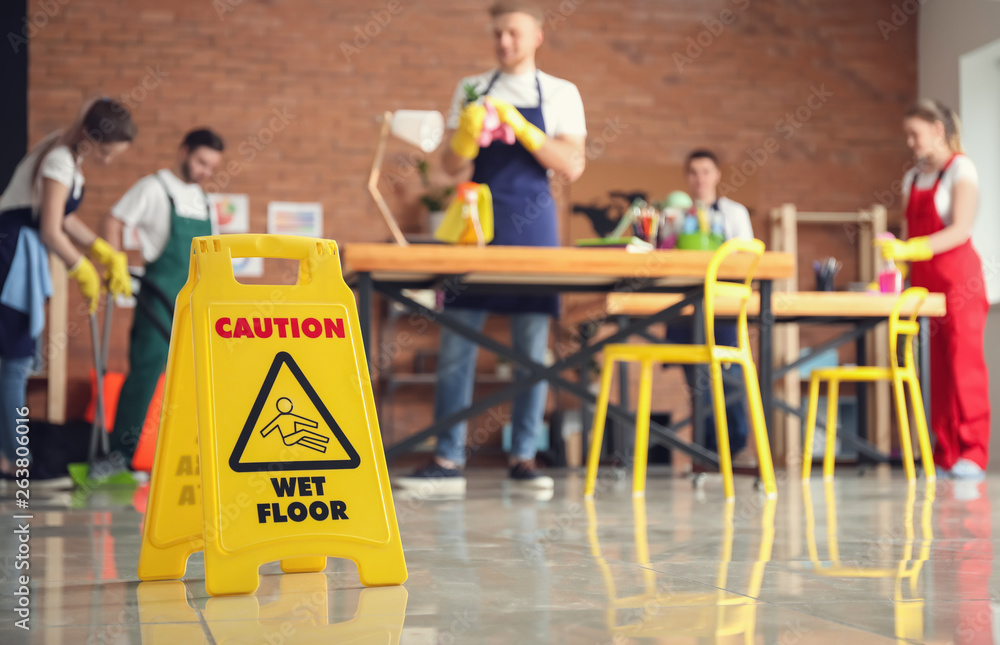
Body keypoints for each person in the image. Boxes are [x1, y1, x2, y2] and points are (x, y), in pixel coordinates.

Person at [396, 0, 586, 493]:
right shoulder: (471, 89)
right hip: (474, 225)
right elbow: (451, 169)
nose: (504, 42)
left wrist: (521, 126)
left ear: (537, 36)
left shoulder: (562, 93)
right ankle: (447, 458)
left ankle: (524, 457)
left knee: (531, 351)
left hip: (533, 227)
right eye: (497, 33)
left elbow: (570, 164)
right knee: (458, 344)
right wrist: (468, 134)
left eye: (514, 34)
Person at [0, 98, 136, 484]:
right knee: (15, 363)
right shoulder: (60, 159)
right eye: (108, 153)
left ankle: (12, 457)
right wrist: (81, 268)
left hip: (21, 252)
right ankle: (19, 463)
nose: (108, 161)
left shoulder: (68, 156)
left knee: (15, 363)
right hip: (10, 254)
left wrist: (102, 251)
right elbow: (50, 229)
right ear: (93, 140)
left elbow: (65, 218)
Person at [89, 129, 224, 481]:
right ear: (183, 151)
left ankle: (195, 460)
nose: (204, 171)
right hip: (159, 295)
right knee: (147, 374)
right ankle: (119, 456)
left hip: (196, 300)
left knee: (200, 378)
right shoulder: (154, 187)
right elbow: (114, 220)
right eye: (200, 162)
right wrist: (115, 262)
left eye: (211, 166)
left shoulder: (203, 200)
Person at [879, 99, 990, 480]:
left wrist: (916, 248)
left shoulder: (962, 169)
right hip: (924, 287)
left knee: (964, 367)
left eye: (916, 134)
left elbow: (960, 228)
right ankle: (944, 454)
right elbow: (911, 234)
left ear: (938, 131)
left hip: (960, 283)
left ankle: (973, 453)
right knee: (935, 370)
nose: (910, 142)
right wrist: (899, 259)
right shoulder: (913, 179)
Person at [665, 150, 756, 468]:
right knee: (697, 385)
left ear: (717, 175)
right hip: (685, 311)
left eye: (705, 171)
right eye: (693, 172)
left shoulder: (734, 214)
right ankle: (703, 454)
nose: (699, 178)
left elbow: (745, 259)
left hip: (723, 309)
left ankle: (738, 448)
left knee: (729, 378)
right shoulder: (674, 216)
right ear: (686, 178)